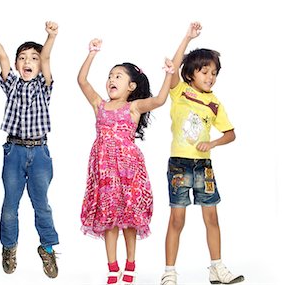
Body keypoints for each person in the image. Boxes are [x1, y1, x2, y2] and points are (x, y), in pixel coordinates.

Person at [78, 38, 175, 285]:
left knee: (129, 218)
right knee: (109, 218)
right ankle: (112, 266)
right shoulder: (99, 105)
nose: (112, 80)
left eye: (118, 76)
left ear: (131, 85)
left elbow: (160, 100)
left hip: (129, 169)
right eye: (110, 76)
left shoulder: (133, 107)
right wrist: (91, 54)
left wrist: (168, 74)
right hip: (104, 169)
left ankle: (131, 262)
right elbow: (82, 81)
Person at [159, 22, 244, 285]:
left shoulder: (215, 103)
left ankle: (216, 268)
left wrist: (213, 144)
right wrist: (186, 37)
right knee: (177, 219)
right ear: (190, 74)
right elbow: (173, 68)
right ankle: (169, 272)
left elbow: (231, 133)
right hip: (180, 165)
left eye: (214, 73)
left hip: (204, 166)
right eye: (204, 71)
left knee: (212, 217)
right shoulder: (180, 91)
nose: (210, 77)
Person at [0, 18, 59, 278]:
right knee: (10, 204)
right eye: (22, 58)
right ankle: (9, 247)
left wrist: (51, 38)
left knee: (41, 204)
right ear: (17, 64)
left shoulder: (44, 87)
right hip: (14, 151)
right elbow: (1, 54)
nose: (28, 62)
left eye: (33, 58)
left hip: (40, 153)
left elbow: (46, 61)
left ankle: (47, 248)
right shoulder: (11, 84)